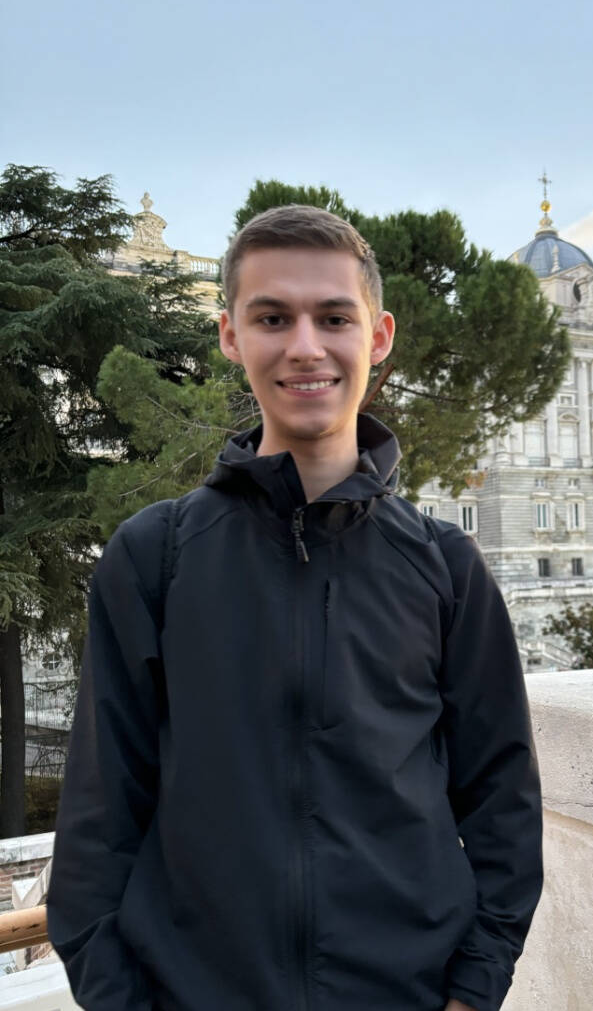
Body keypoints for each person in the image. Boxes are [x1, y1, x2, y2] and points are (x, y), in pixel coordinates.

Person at [47, 205, 544, 1011]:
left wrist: (471, 992)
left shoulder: (447, 567)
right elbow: (100, 818)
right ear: (230, 337)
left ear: (377, 337)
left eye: (333, 317)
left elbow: (503, 805)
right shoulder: (153, 556)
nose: (305, 346)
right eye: (273, 317)